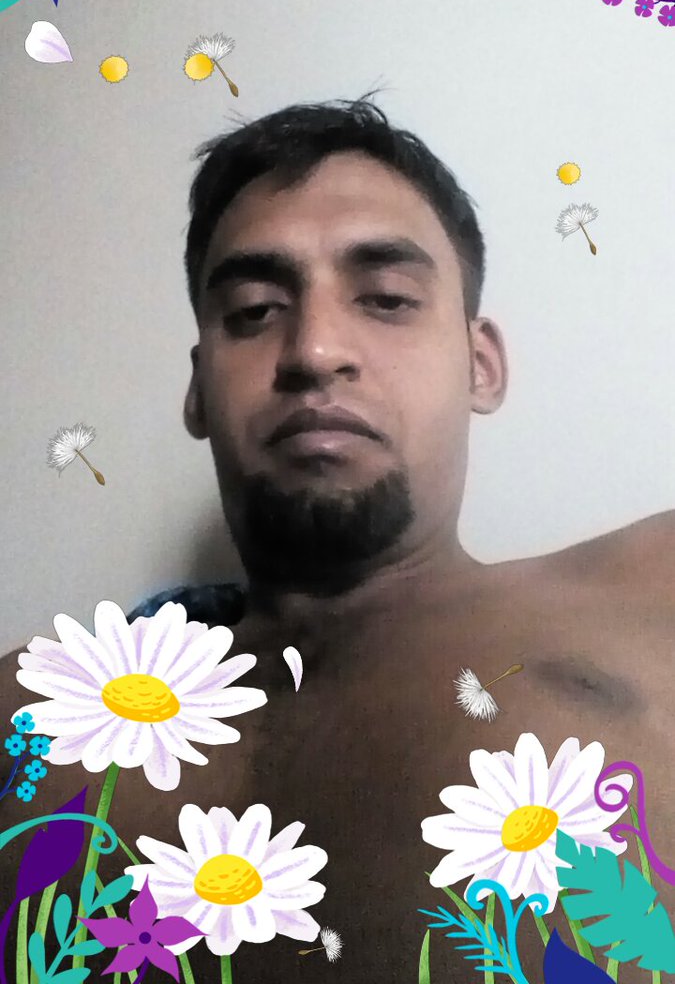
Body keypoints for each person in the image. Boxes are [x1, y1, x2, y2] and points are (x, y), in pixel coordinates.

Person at [1, 96, 674, 983]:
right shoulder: (29, 715)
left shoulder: (654, 590)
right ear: (199, 388)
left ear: (480, 364)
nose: (314, 349)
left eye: (387, 299)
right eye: (252, 311)